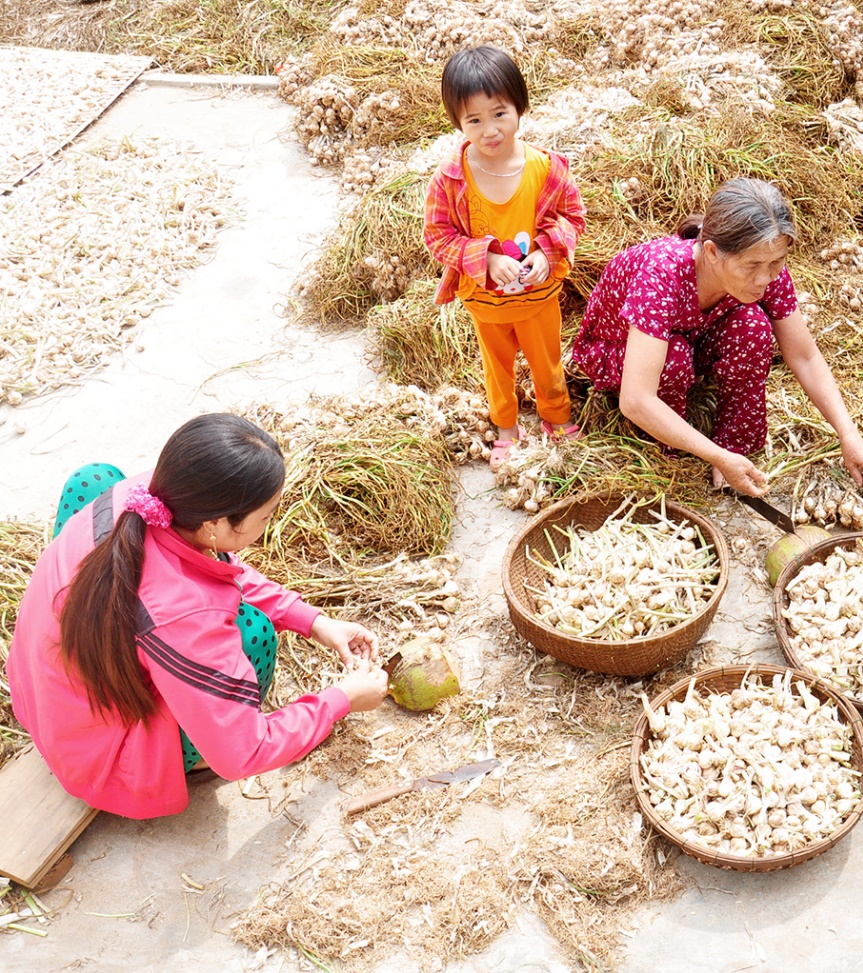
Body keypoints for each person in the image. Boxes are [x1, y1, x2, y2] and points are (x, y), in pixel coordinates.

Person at [5, 414, 390, 818]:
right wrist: (341, 699)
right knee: (253, 632)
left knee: (94, 478)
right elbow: (246, 753)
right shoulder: (185, 615)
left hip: (41, 692)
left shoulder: (148, 494)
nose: (269, 524)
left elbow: (215, 564)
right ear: (214, 524)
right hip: (99, 758)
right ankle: (194, 760)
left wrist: (313, 621)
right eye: (266, 516)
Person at [571, 177, 863, 497]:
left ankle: (737, 447)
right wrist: (714, 455)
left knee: (753, 327)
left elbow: (804, 355)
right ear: (711, 252)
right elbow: (636, 399)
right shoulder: (661, 275)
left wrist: (849, 435)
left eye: (776, 263)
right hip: (621, 348)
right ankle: (676, 449)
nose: (764, 278)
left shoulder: (764, 267)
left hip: (695, 335)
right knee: (673, 359)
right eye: (751, 266)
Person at [424, 45, 587, 468]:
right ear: (458, 122)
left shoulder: (547, 168)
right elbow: (438, 236)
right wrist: (487, 259)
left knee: (547, 360)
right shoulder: (450, 178)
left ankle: (555, 415)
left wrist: (548, 252)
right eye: (473, 120)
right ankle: (506, 425)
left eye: (499, 113)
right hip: (485, 301)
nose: (489, 130)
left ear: (519, 106)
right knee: (497, 367)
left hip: (538, 296)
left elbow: (573, 216)